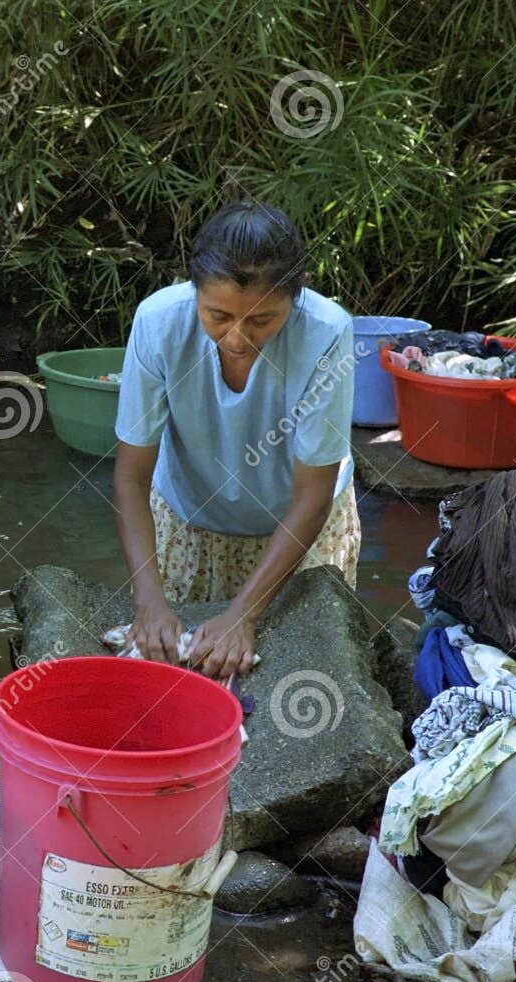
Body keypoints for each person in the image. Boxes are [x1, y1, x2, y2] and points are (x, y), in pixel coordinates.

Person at [113, 201, 358, 680]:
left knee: (305, 673)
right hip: (189, 525)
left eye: (263, 320)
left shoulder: (327, 333)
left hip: (300, 536)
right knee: (179, 681)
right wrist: (150, 602)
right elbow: (129, 477)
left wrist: (244, 614)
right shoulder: (159, 322)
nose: (237, 338)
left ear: (295, 299)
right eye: (218, 315)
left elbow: (311, 498)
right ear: (194, 292)